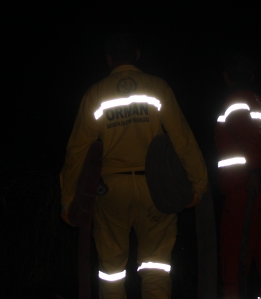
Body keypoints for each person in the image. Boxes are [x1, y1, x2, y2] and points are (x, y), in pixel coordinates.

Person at [60, 33, 208, 299]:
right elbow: (182, 138)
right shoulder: (158, 88)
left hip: (111, 192)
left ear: (109, 59)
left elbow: (76, 151)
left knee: (111, 271)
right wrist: (198, 184)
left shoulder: (95, 94)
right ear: (137, 55)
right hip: (156, 189)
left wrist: (68, 199)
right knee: (156, 269)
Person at [214, 55, 261, 298]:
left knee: (234, 265)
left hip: (245, 192)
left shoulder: (235, 101)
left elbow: (244, 134)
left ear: (226, 76)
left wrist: (253, 170)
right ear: (252, 77)